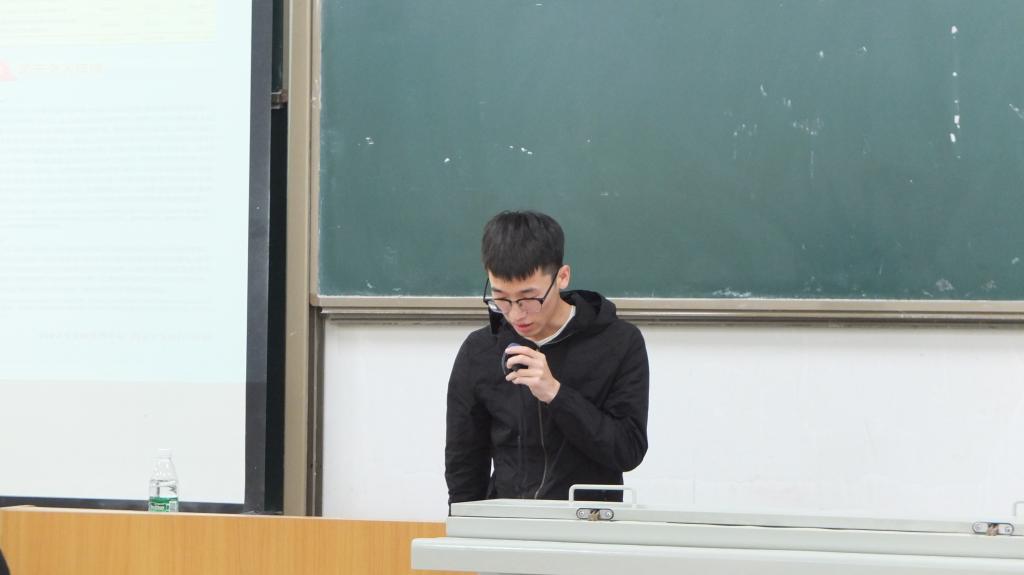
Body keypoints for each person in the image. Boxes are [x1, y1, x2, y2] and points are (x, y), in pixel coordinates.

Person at [445, 210, 649, 504]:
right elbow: (464, 461)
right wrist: (464, 525)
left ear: (562, 277)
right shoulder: (480, 350)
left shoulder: (619, 342)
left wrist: (556, 394)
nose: (516, 314)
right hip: (508, 521)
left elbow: (628, 450)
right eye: (501, 298)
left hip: (588, 521)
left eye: (529, 298)